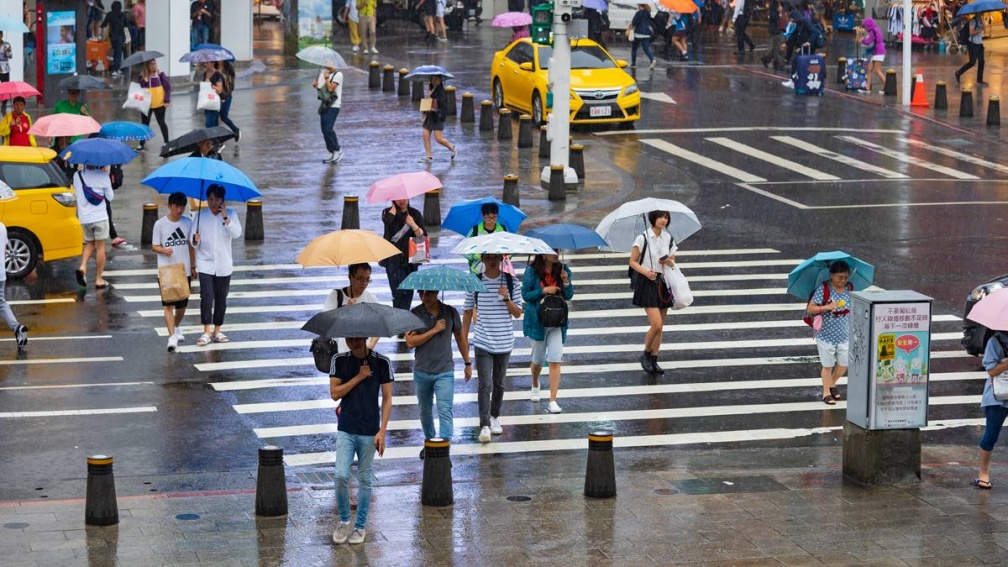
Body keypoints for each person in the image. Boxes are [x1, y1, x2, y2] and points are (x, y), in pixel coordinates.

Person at [329, 336, 393, 546]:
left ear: (365, 337)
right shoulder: (339, 360)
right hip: (346, 428)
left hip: (369, 430)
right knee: (340, 475)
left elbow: (387, 398)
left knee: (365, 479)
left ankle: (360, 526)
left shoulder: (381, 362)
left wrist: (382, 431)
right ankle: (345, 520)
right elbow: (334, 393)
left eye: (357, 338)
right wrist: (358, 376)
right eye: (349, 339)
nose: (353, 343)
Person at [462, 253, 523, 443]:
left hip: (504, 341)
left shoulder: (512, 283)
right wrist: (463, 339)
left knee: (499, 383)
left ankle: (495, 416)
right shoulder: (475, 281)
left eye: (495, 256)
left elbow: (518, 313)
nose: (492, 260)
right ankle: (484, 424)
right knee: (484, 384)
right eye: (488, 256)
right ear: (482, 258)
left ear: (501, 258)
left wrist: (506, 299)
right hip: (482, 341)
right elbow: (466, 312)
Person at [406, 289, 471, 458]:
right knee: (425, 410)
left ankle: (444, 449)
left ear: (437, 293)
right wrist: (434, 330)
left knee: (445, 410)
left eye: (429, 293)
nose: (425, 297)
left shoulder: (450, 312)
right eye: (422, 294)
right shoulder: (415, 314)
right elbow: (410, 342)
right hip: (422, 371)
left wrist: (467, 362)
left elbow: (460, 337)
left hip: (444, 371)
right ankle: (429, 441)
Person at [189, 184, 242, 347]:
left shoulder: (231, 214)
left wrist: (226, 218)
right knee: (206, 297)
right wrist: (195, 240)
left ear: (222, 200)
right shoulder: (199, 216)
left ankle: (217, 330)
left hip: (224, 264)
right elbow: (192, 241)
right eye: (210, 199)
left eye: (217, 199)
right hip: (205, 264)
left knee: (221, 299)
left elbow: (237, 233)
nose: (213, 203)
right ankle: (206, 331)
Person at [522, 253, 573, 413]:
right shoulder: (531, 271)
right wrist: (544, 290)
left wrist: (566, 283)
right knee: (537, 361)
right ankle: (535, 383)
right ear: (543, 254)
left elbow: (569, 295)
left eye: (557, 250)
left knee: (555, 360)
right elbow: (525, 295)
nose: (556, 254)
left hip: (557, 321)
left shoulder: (564, 270)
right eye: (552, 251)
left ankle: (553, 400)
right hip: (538, 321)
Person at [629, 210, 676, 374]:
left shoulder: (668, 238)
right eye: (660, 217)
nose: (664, 220)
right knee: (656, 324)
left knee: (660, 327)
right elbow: (632, 261)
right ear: (653, 219)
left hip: (662, 282)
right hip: (647, 282)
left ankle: (654, 360)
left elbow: (672, 262)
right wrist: (645, 272)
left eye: (666, 217)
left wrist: (667, 261)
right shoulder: (642, 237)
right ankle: (646, 354)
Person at [151, 192, 196, 352]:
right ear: (170, 206)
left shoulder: (189, 222)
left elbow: (192, 245)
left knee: (182, 305)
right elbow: (154, 245)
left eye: (182, 206)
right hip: (166, 269)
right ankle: (171, 336)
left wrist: (193, 266)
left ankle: (176, 327)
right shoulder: (160, 224)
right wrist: (163, 250)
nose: (179, 209)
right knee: (168, 304)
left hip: (184, 269)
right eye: (176, 206)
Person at [806, 260, 851, 405]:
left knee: (844, 364)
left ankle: (831, 384)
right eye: (839, 277)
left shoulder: (850, 288)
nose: (842, 280)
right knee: (828, 365)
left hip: (844, 334)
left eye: (845, 277)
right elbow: (810, 309)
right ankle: (826, 393)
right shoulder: (823, 289)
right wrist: (827, 307)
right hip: (825, 335)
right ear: (831, 275)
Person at [973, 330, 1008, 490]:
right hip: (998, 396)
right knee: (991, 434)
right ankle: (983, 473)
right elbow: (991, 370)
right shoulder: (996, 341)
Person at [72, 166, 115, 289]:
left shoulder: (77, 175)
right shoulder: (103, 176)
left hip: (84, 218)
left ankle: (83, 267)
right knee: (100, 247)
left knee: (89, 244)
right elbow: (110, 197)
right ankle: (98, 279)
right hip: (99, 216)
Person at [323, 263, 380, 353]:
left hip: (363, 355)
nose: (364, 283)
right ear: (350, 277)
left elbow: (378, 327)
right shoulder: (336, 296)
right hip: (340, 354)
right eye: (360, 279)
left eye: (367, 279)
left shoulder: (371, 298)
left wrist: (369, 348)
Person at [381, 199, 427, 310]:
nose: (402, 200)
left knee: (407, 294)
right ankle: (400, 321)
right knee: (397, 294)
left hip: (410, 261)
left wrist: (412, 224)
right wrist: (393, 209)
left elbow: (423, 236)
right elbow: (388, 225)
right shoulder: (387, 213)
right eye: (398, 197)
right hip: (393, 261)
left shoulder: (415, 214)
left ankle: (402, 321)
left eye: (404, 196)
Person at [0, 220, 28, 352]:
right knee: (1, 303)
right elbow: (4, 251)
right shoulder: (2, 226)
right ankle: (17, 328)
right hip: (1, 275)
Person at [419, 75, 456, 163]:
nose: (436, 80)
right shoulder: (431, 89)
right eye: (434, 79)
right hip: (430, 116)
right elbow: (428, 102)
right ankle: (429, 156)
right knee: (425, 135)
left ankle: (452, 147)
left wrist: (434, 105)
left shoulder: (441, 91)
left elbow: (442, 105)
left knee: (438, 138)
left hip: (438, 117)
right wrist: (428, 96)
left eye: (437, 78)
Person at [137, 59, 171, 151]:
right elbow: (139, 89)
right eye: (151, 64)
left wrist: (166, 100)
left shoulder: (160, 74)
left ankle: (166, 142)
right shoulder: (142, 76)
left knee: (161, 122)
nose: (153, 66)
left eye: (154, 64)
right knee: (145, 124)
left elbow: (167, 87)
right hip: (146, 104)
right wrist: (144, 81)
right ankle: (141, 144)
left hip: (159, 103)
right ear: (147, 66)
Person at [464, 202, 506, 274]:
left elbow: (509, 246)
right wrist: (475, 256)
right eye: (488, 217)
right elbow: (465, 248)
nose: (492, 220)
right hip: (477, 270)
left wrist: (505, 256)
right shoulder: (475, 230)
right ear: (483, 216)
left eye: (494, 217)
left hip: (498, 269)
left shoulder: (502, 229)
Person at [313, 65, 343, 164]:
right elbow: (323, 91)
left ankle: (337, 150)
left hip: (334, 105)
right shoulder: (324, 73)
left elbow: (331, 90)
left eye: (329, 62)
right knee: (324, 130)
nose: (326, 65)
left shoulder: (338, 75)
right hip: (325, 105)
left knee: (328, 128)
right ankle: (331, 151)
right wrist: (317, 86)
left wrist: (326, 78)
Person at [955, 15, 985, 85]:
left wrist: (983, 28)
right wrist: (980, 29)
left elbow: (981, 31)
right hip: (972, 44)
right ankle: (958, 73)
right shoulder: (973, 21)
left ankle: (979, 80)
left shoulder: (981, 19)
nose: (982, 13)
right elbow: (971, 33)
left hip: (979, 43)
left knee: (982, 62)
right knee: (972, 62)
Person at [860, 18, 886, 93]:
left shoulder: (873, 31)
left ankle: (887, 86)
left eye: (865, 26)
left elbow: (868, 42)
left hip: (878, 53)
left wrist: (862, 40)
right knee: (869, 68)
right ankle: (867, 87)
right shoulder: (876, 29)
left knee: (877, 70)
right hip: (878, 52)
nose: (865, 29)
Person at [101, 1, 127, 77]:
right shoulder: (122, 15)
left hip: (113, 37)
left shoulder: (109, 15)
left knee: (115, 53)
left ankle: (115, 69)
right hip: (121, 36)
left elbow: (104, 24)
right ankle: (118, 68)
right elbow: (127, 24)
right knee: (119, 53)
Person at [216, 61, 240, 142]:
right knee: (215, 117)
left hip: (226, 96)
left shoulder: (228, 69)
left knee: (224, 117)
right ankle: (216, 137)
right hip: (215, 97)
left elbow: (231, 85)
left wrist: (225, 94)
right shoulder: (214, 68)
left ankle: (235, 130)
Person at [760, 0, 787, 71]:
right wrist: (779, 12)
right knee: (779, 48)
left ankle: (766, 59)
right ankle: (779, 65)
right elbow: (772, 17)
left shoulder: (781, 4)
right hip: (776, 29)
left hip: (781, 28)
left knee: (775, 46)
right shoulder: (774, 5)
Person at [628, 4, 656, 69]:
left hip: (638, 33)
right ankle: (652, 60)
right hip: (647, 33)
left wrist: (630, 27)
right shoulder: (648, 13)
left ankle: (633, 63)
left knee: (634, 48)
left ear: (640, 5)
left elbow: (634, 22)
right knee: (646, 48)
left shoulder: (638, 13)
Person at [0, 32, 12, 115]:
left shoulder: (7, 45)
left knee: (5, 88)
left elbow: (10, 56)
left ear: (2, 36)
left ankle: (4, 105)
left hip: (5, 69)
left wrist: (7, 52)